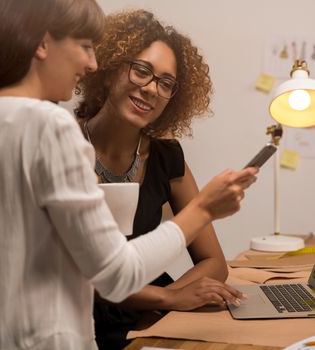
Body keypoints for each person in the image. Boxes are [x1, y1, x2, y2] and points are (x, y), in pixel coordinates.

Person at [0, 1, 257, 349]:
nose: (92, 62)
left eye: (166, 83)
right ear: (43, 42)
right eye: (86, 46)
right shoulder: (50, 126)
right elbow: (115, 274)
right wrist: (203, 209)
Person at [74, 9, 236, 348]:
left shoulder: (166, 157)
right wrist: (169, 300)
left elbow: (214, 261)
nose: (151, 89)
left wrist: (162, 302)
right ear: (108, 69)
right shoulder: (64, 147)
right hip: (80, 321)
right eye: (142, 71)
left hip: (150, 319)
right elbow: (91, 280)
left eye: (166, 83)